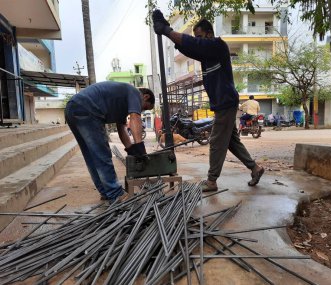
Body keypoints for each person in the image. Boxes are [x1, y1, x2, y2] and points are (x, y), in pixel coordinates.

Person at [153, 10, 264, 191]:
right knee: (230, 141)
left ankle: (211, 181)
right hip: (222, 103)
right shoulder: (206, 55)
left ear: (209, 35)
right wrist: (170, 33)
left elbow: (195, 45)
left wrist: (166, 30)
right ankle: (255, 168)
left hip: (226, 101)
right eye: (196, 37)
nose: (198, 39)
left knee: (216, 141)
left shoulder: (218, 46)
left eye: (200, 36)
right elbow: (191, 47)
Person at [65, 81, 155, 202]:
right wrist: (139, 147)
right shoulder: (135, 92)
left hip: (72, 108)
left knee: (91, 156)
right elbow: (135, 117)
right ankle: (115, 193)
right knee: (102, 153)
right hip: (88, 108)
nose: (142, 111)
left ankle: (106, 192)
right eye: (145, 108)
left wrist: (130, 149)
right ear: (146, 96)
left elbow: (121, 128)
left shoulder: (122, 102)